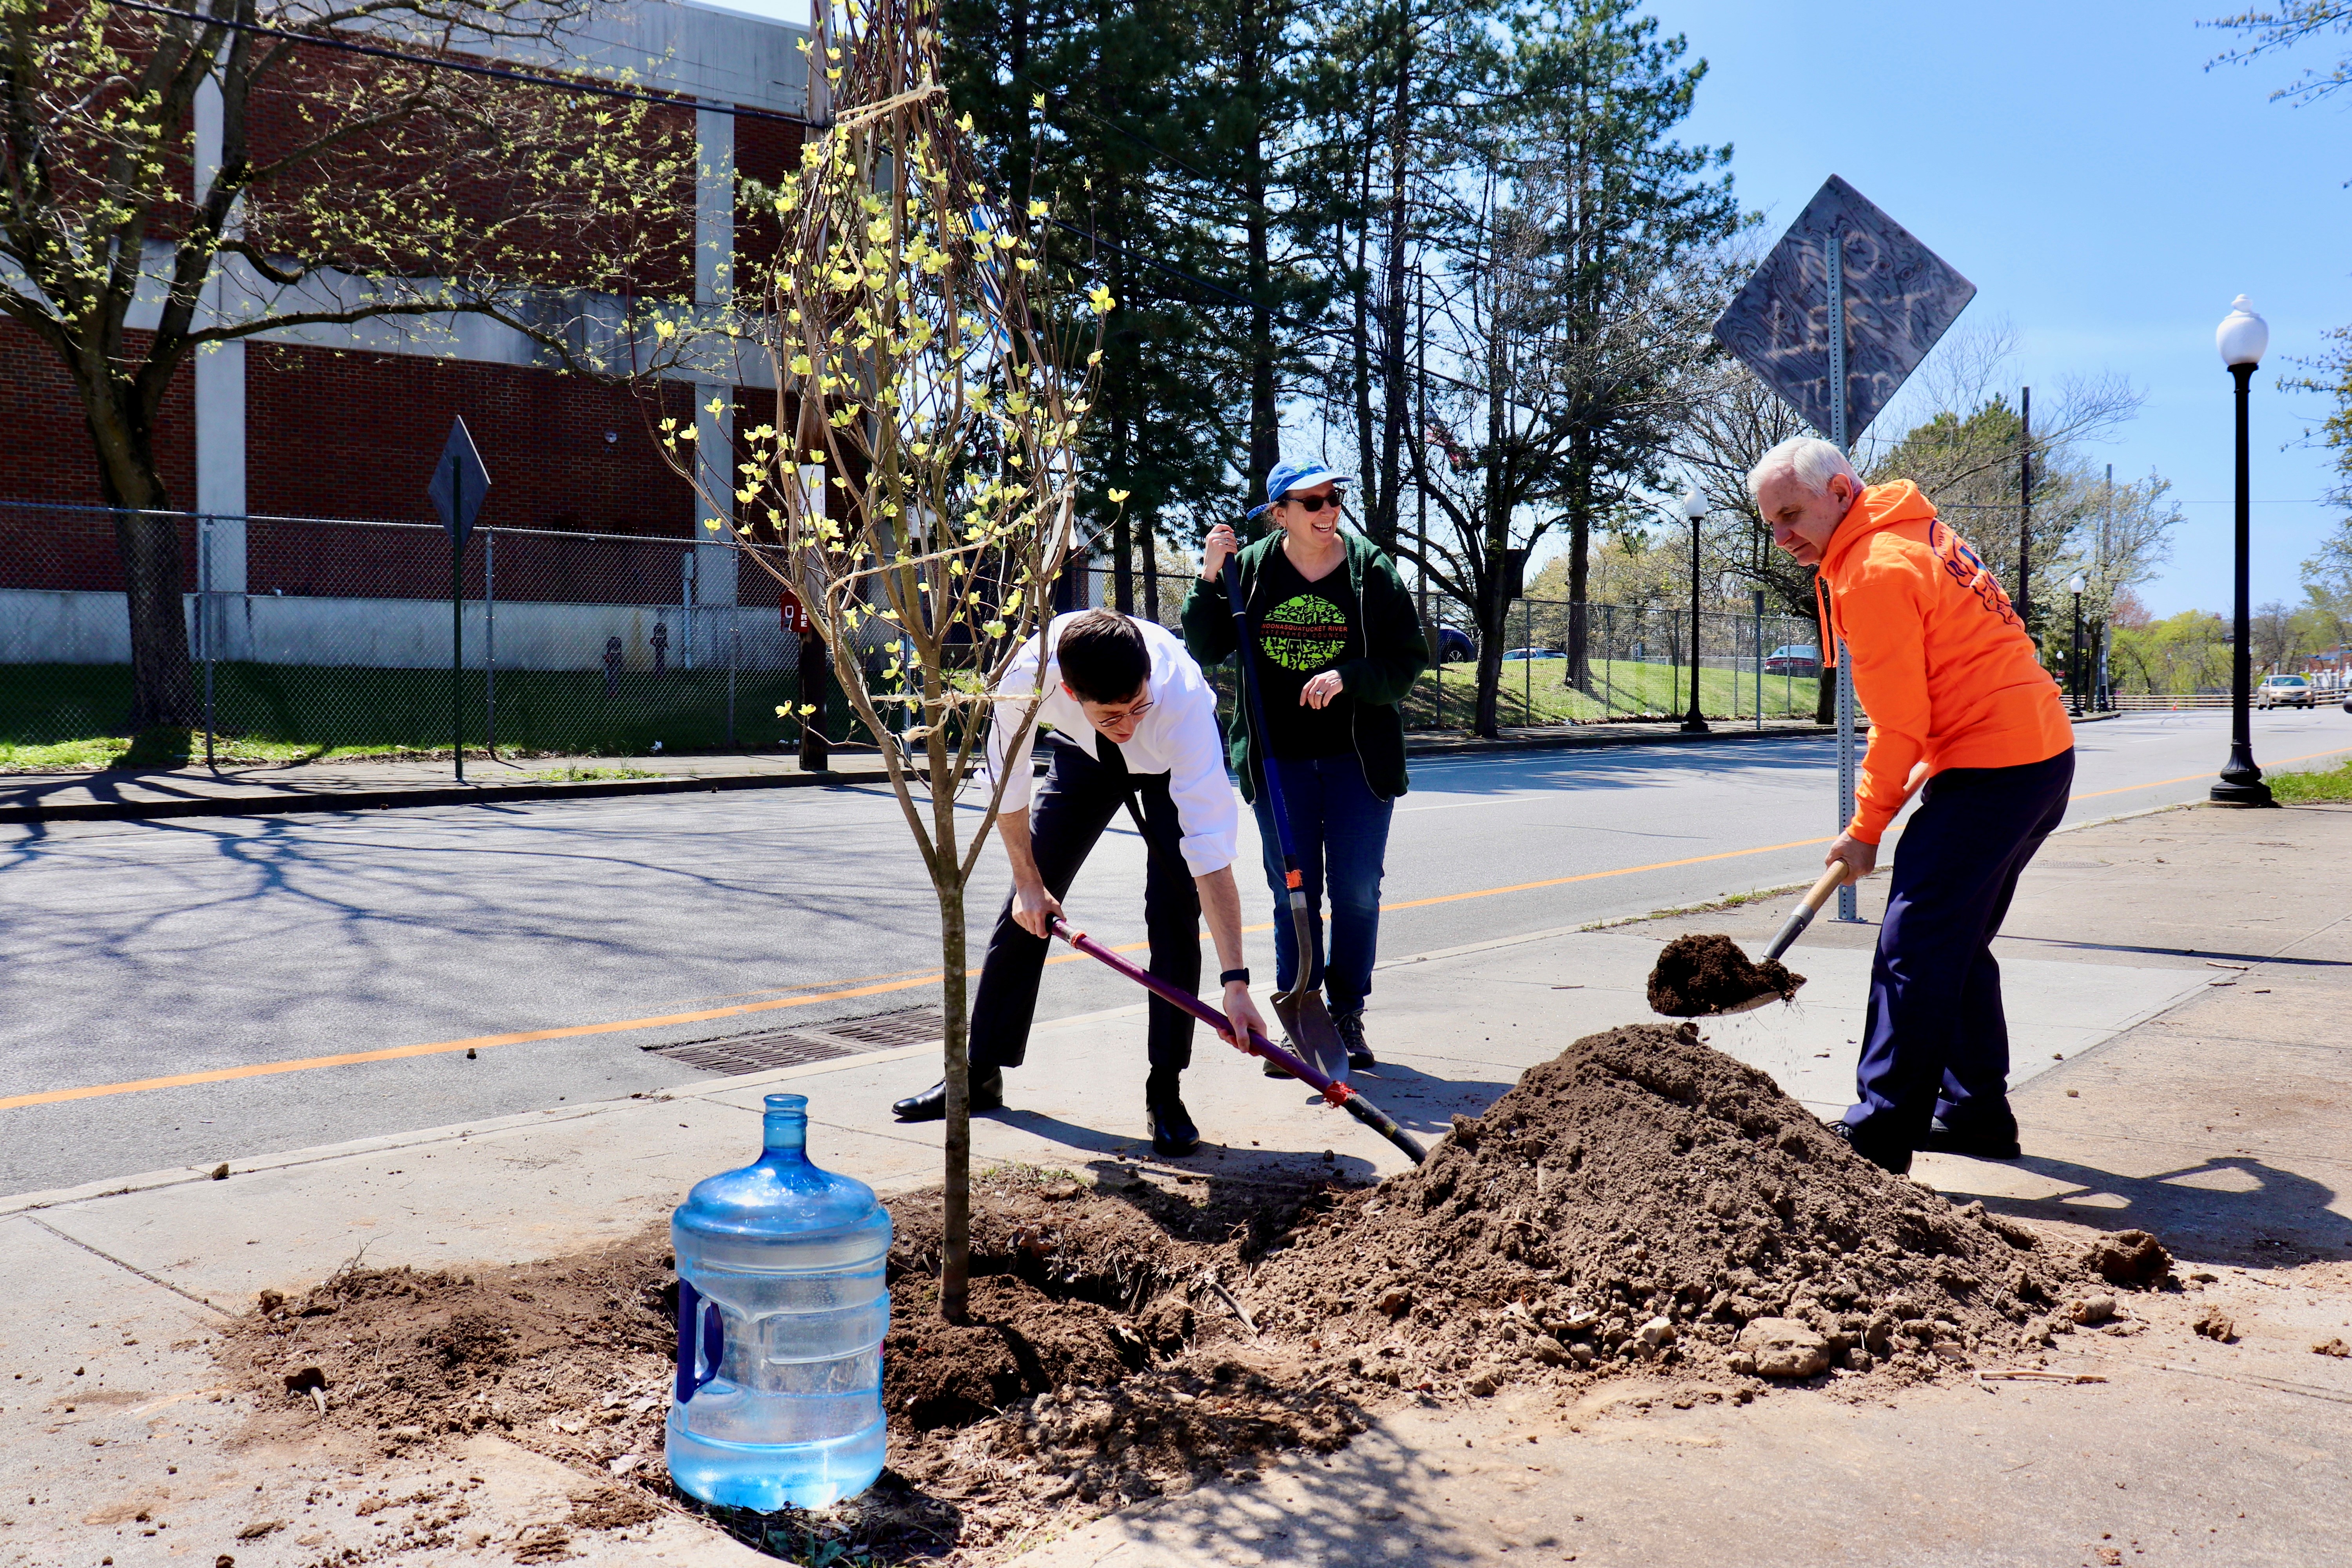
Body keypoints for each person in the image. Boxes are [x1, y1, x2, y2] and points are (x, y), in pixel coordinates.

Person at [1751, 436, 2075, 1176]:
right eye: (1772, 523)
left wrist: (1864, 832)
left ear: (1840, 492)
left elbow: (1900, 727)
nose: (1783, 537)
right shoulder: (1914, 531)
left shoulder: (1873, 570)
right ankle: (1974, 1114)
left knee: (1915, 947)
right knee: (1952, 942)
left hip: (1996, 768)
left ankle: (1878, 1134)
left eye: (1792, 515)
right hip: (2039, 757)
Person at [889, 608, 1270, 1157]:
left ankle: (1166, 1088)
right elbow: (1007, 779)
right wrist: (1027, 880)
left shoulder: (1179, 699)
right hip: (1083, 754)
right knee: (1028, 902)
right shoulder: (1029, 675)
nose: (1129, 724)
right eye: (1114, 713)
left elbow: (1211, 857)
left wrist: (1236, 982)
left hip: (1168, 768)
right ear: (1068, 690)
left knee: (1173, 909)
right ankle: (980, 1072)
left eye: (1138, 705)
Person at [1181, 461, 1427, 1074]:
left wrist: (1350, 676)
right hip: (1279, 763)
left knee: (1356, 893)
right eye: (1311, 502)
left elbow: (1407, 659)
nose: (1326, 511)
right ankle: (1301, 1014)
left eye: (1333, 498)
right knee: (1293, 893)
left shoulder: (1373, 573)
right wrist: (1211, 577)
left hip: (1358, 763)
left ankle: (1346, 1012)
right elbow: (1207, 647)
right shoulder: (1252, 570)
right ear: (1279, 513)